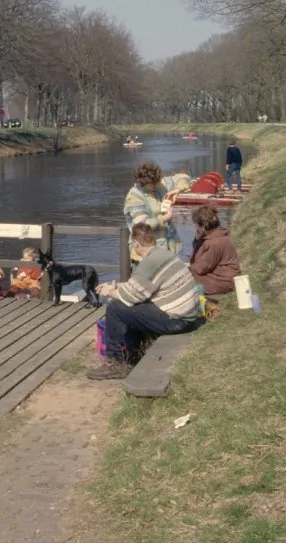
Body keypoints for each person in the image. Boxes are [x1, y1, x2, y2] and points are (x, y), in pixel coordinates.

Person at [87, 223, 206, 380]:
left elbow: (130, 296)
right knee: (133, 307)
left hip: (178, 320)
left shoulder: (149, 263)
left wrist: (109, 292)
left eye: (132, 244)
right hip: (188, 315)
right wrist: (114, 285)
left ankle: (116, 363)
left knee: (115, 308)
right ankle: (134, 353)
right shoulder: (163, 254)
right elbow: (141, 287)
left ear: (136, 243)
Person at [123, 161, 183, 257]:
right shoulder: (134, 197)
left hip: (166, 248)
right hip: (144, 252)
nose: (157, 185)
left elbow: (182, 177)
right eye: (153, 183)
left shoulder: (159, 185)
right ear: (143, 182)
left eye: (157, 182)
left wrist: (177, 190)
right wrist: (165, 218)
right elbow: (142, 226)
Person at [188, 206, 241, 296]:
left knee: (186, 280)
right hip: (220, 277)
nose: (195, 228)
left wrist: (183, 270)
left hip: (224, 281)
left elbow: (201, 268)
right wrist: (198, 240)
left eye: (196, 224)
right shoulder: (216, 237)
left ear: (203, 226)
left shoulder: (214, 242)